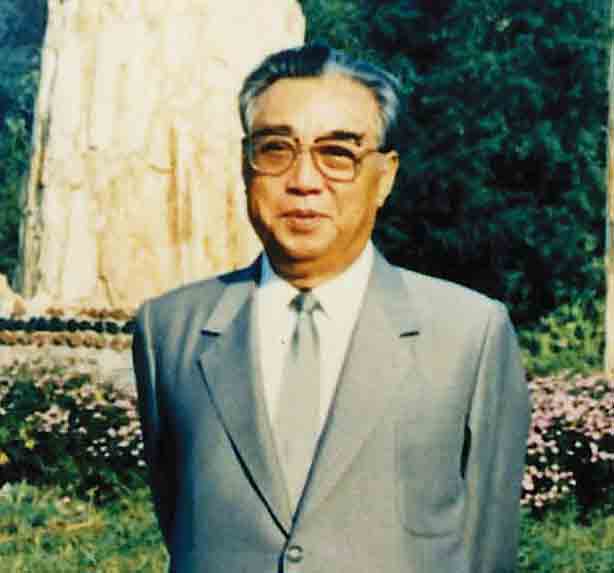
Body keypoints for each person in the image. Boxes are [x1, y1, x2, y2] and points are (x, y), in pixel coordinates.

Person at [132, 43, 531, 573]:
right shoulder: (170, 330)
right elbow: (180, 515)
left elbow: (487, 546)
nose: (303, 181)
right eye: (276, 149)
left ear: (384, 177)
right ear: (246, 167)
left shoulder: (469, 334)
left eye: (337, 154)